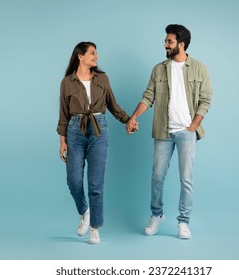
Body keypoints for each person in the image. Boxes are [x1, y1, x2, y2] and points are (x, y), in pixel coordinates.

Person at [126, 24, 213, 239]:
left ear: (181, 44)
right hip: (163, 132)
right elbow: (148, 96)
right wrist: (134, 117)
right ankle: (157, 214)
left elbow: (205, 99)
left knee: (186, 179)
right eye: (166, 41)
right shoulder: (159, 69)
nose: (165, 44)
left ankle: (184, 222)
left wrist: (193, 126)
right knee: (157, 176)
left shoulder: (199, 68)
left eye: (169, 41)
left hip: (186, 132)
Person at [57, 42, 130, 244]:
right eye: (92, 53)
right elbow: (63, 114)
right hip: (74, 130)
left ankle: (95, 228)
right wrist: (62, 140)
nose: (96, 56)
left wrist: (128, 120)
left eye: (96, 53)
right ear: (80, 56)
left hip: (99, 129)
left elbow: (113, 105)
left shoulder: (102, 79)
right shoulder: (67, 83)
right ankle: (84, 211)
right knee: (73, 180)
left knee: (96, 183)